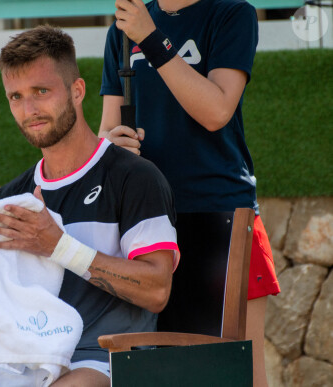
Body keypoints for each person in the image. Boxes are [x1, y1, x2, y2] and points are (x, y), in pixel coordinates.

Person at [0, 25, 179, 387]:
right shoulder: (12, 196)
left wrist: (58, 246)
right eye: (16, 97)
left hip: (104, 360)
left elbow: (157, 291)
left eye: (41, 91)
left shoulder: (135, 178)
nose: (29, 109)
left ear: (77, 91)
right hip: (15, 363)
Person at [98, 1, 281, 386]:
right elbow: (105, 131)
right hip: (148, 220)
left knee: (237, 373)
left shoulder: (232, 13)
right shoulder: (123, 28)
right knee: (158, 372)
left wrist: (150, 37)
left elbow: (216, 110)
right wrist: (113, 144)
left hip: (220, 216)